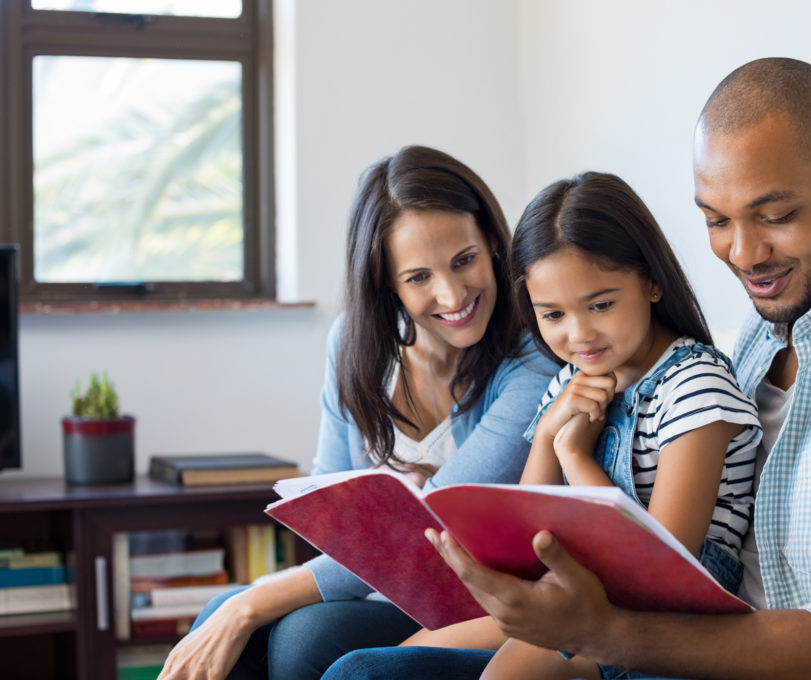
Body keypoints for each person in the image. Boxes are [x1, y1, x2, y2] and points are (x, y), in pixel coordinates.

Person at [322, 58, 811, 679]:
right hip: (673, 637)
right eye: (716, 220)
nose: (744, 254)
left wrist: (604, 634)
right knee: (357, 667)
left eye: (774, 215)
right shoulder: (766, 326)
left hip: (735, 654)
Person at [156, 145, 558, 680]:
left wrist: (250, 602)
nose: (453, 293)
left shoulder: (532, 361)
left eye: (465, 260)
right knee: (217, 617)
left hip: (473, 604)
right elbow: (328, 509)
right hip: (372, 588)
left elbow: (425, 538)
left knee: (295, 637)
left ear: (491, 243)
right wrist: (242, 605)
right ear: (386, 282)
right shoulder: (354, 343)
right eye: (418, 277)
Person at [390, 172, 761, 680]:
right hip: (578, 586)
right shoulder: (570, 379)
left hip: (668, 613)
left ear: (652, 281)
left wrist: (575, 457)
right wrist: (546, 436)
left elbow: (661, 563)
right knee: (389, 659)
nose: (579, 333)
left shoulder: (694, 385)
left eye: (601, 305)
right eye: (553, 314)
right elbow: (526, 538)